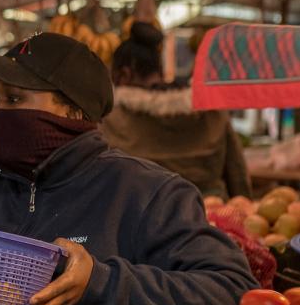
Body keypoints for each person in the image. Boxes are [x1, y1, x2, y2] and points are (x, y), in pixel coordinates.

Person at [0, 32, 257, 305]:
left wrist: (100, 283)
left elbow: (232, 290)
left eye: (14, 98)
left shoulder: (148, 193)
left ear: (73, 111)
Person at [101, 22, 251, 199]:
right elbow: (238, 175)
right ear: (160, 69)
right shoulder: (211, 111)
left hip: (141, 217)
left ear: (124, 74)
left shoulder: (111, 118)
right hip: (208, 216)